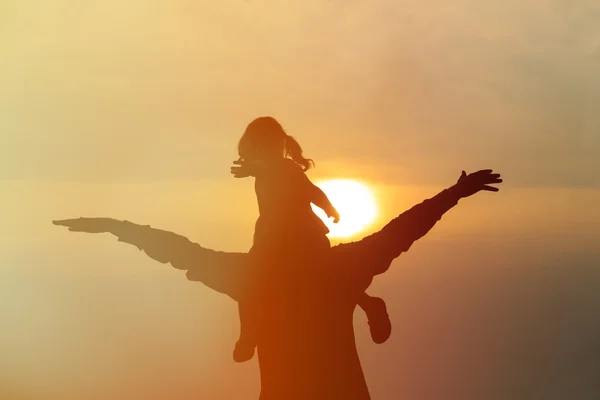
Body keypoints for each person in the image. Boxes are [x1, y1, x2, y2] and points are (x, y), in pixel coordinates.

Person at [230, 116, 392, 363]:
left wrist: (328, 207)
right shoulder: (265, 171)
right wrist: (255, 169)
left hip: (302, 237)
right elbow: (268, 172)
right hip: (272, 237)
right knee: (250, 277)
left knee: (327, 274)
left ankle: (370, 304)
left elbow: (308, 189)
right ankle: (248, 334)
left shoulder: (285, 169)